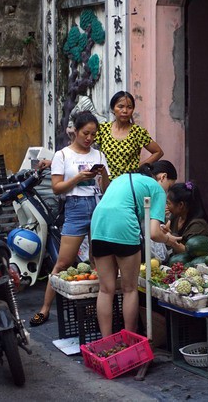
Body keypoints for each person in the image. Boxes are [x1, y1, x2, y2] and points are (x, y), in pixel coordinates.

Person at [29, 111, 110, 326]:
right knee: (63, 262)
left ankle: (93, 307)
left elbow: (106, 189)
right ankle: (45, 309)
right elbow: (57, 189)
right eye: (86, 133)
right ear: (75, 130)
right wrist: (78, 178)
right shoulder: (62, 155)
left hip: (98, 206)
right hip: (75, 207)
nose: (90, 138)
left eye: (93, 134)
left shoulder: (99, 155)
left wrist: (104, 176)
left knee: (97, 261)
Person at [89, 160, 183, 337]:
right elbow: (154, 233)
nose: (166, 191)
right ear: (163, 177)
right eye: (168, 185)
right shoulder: (156, 188)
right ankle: (129, 341)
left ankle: (106, 341)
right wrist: (171, 241)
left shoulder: (122, 178)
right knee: (129, 289)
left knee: (106, 289)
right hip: (123, 227)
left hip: (98, 225)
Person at [95, 91, 164, 180]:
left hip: (130, 182)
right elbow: (86, 145)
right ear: (113, 109)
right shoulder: (102, 129)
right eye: (120, 107)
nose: (125, 111)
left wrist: (139, 167)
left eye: (129, 107)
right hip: (107, 184)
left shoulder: (138, 132)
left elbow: (158, 152)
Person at [163, 181, 208, 251]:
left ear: (181, 205)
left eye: (168, 203)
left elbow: (189, 252)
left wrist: (169, 240)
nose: (166, 207)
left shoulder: (198, 226)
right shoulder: (176, 216)